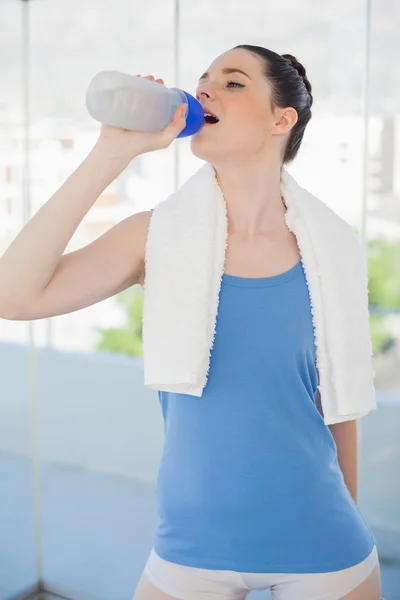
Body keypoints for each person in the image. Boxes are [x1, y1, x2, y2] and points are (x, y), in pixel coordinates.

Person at [0, 46, 383, 600]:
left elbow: (339, 403)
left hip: (322, 540)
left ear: (282, 119)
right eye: (202, 80)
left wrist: (347, 512)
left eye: (232, 83)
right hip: (190, 549)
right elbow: (13, 296)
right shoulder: (156, 238)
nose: (205, 90)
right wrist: (113, 152)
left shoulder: (331, 249)